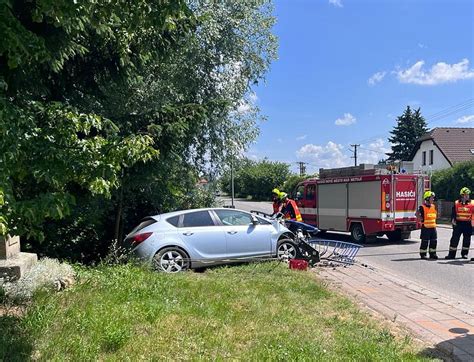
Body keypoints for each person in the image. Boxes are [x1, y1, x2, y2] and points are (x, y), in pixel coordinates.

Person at [445, 187, 473, 260]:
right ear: (462, 195)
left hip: (468, 224)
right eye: (466, 195)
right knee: (454, 239)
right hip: (458, 224)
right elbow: (453, 213)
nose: (468, 196)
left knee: (467, 240)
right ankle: (451, 254)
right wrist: (453, 220)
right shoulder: (457, 203)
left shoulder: (472, 203)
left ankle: (464, 254)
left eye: (468, 195)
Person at [416, 191, 438, 260]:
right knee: (425, 242)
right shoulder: (422, 207)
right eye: (432, 198)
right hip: (425, 227)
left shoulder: (434, 206)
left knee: (434, 241)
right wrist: (421, 220)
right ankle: (423, 254)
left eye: (433, 198)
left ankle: (433, 254)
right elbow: (417, 214)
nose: (433, 199)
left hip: (433, 227)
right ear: (427, 198)